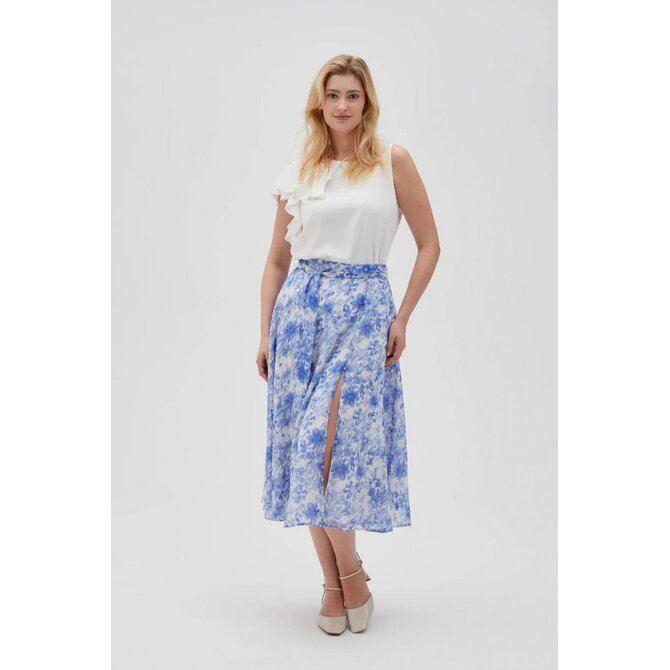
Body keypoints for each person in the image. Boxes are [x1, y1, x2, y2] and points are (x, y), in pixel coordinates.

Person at [257, 55, 441, 634]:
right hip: (300, 316)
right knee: (307, 455)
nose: (342, 105)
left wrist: (403, 317)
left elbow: (430, 244)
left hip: (362, 315)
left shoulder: (392, 160)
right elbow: (276, 261)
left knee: (331, 449)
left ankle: (351, 575)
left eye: (352, 96)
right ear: (320, 102)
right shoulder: (300, 171)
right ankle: (337, 585)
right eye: (333, 94)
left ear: (367, 103)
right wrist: (264, 332)